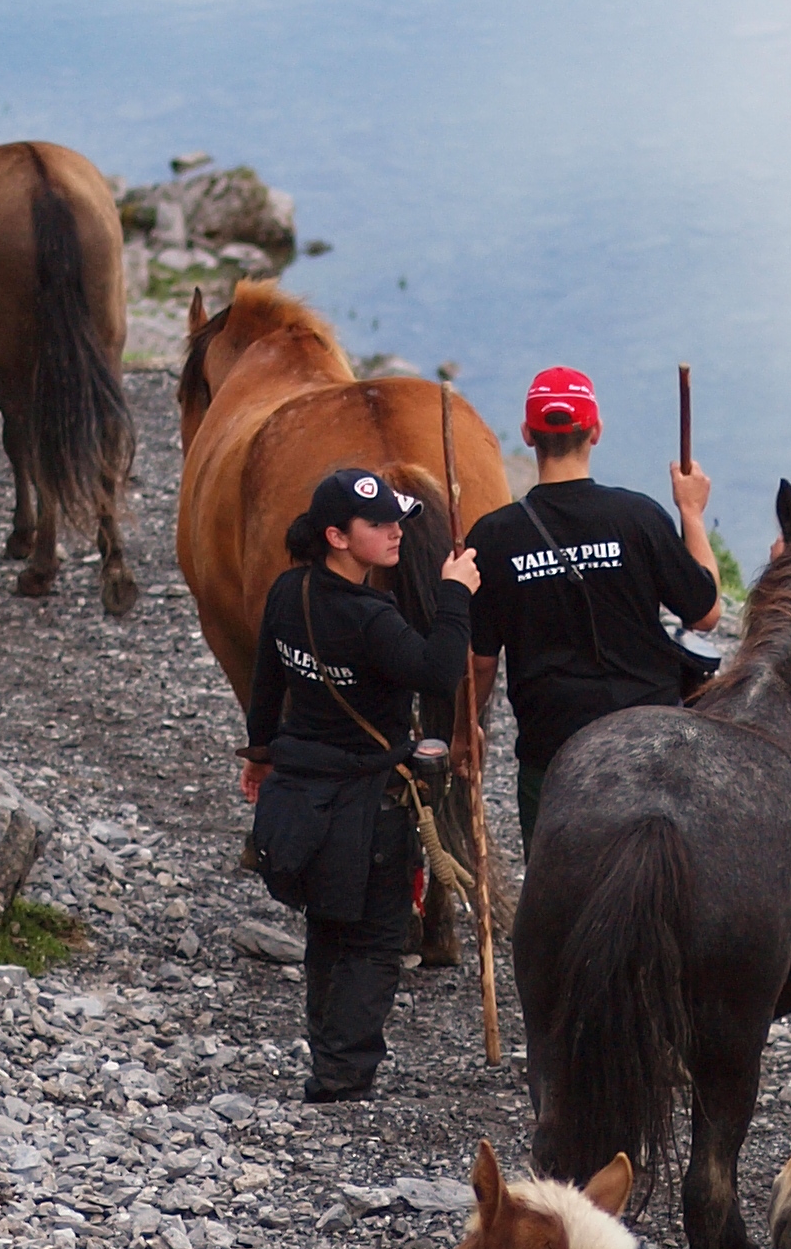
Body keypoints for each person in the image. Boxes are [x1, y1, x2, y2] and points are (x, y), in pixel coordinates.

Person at [242, 466, 480, 1104]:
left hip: (303, 792)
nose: (397, 531)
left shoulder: (289, 592)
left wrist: (260, 754)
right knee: (375, 937)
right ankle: (343, 1072)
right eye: (379, 523)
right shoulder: (373, 619)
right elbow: (438, 671)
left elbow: (267, 681)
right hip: (370, 802)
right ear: (337, 536)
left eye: (398, 519)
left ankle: (330, 1055)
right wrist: (455, 593)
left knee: (327, 925)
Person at [464, 364, 722, 847]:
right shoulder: (638, 516)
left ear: (527, 435)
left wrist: (465, 732)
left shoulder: (494, 536)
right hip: (647, 736)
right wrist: (691, 512)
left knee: (555, 881)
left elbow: (480, 662)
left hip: (552, 748)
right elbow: (705, 612)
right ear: (596, 431)